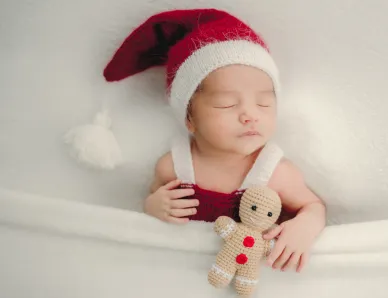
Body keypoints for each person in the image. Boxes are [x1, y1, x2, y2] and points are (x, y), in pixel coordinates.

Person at [102, 8, 326, 273]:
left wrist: (305, 227)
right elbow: (154, 195)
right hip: (186, 273)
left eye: (264, 103)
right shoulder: (174, 167)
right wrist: (154, 206)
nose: (250, 116)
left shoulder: (275, 172)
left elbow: (313, 206)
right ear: (190, 120)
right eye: (226, 104)